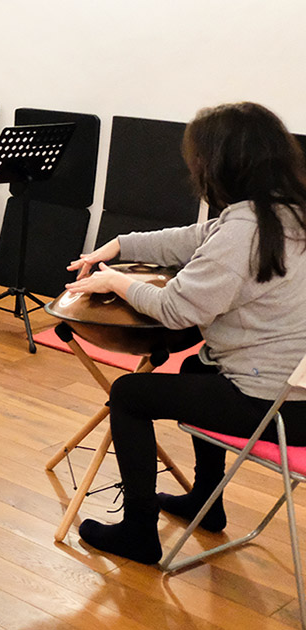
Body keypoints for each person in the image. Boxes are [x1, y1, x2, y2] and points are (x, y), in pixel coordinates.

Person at [65, 102, 306, 564]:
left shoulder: (246, 231)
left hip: (274, 408)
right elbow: (196, 237)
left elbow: (175, 309)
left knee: (129, 395)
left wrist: (115, 281)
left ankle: (138, 532)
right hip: (295, 396)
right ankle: (206, 503)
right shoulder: (285, 213)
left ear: (220, 164)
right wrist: (121, 245)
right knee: (198, 365)